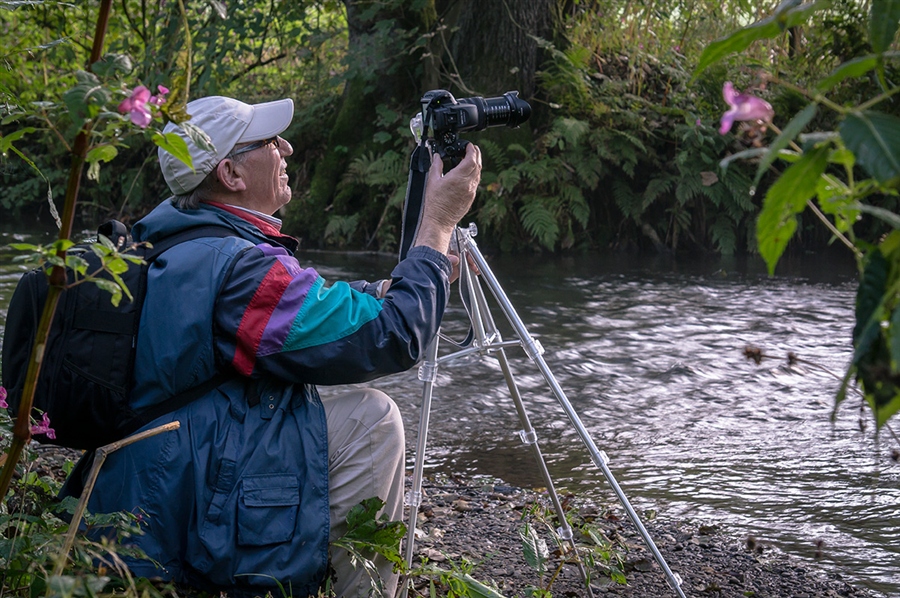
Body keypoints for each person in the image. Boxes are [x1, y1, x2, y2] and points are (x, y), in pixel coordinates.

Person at [60, 95, 482, 598]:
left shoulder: (180, 243)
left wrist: (402, 282)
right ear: (231, 174)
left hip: (147, 480)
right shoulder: (240, 269)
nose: (286, 148)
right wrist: (437, 226)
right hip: (171, 509)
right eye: (268, 141)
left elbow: (313, 312)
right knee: (371, 419)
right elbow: (389, 337)